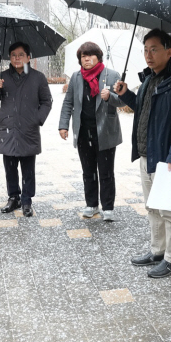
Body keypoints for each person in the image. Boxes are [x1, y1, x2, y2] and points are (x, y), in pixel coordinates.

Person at [114, 28, 171, 279]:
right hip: (147, 153)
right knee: (152, 207)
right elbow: (144, 108)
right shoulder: (150, 78)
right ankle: (157, 251)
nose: (148, 55)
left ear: (169, 51)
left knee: (169, 209)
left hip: (166, 157)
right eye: (145, 50)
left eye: (154, 49)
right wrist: (126, 94)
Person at [59, 42, 125, 221]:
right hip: (83, 132)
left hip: (105, 131)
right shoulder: (76, 77)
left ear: (98, 57)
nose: (86, 59)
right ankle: (91, 204)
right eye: (83, 56)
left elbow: (123, 101)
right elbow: (68, 102)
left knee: (106, 171)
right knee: (88, 171)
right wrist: (63, 125)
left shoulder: (112, 75)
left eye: (90, 55)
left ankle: (108, 207)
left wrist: (110, 96)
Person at [0, 41, 52, 217]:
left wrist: (37, 119)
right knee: (10, 167)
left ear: (28, 57)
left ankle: (26, 200)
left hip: (28, 129)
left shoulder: (38, 77)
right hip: (8, 128)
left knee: (28, 168)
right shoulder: (2, 76)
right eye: (14, 55)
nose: (17, 58)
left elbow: (47, 101)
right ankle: (13, 198)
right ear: (9, 57)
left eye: (21, 55)